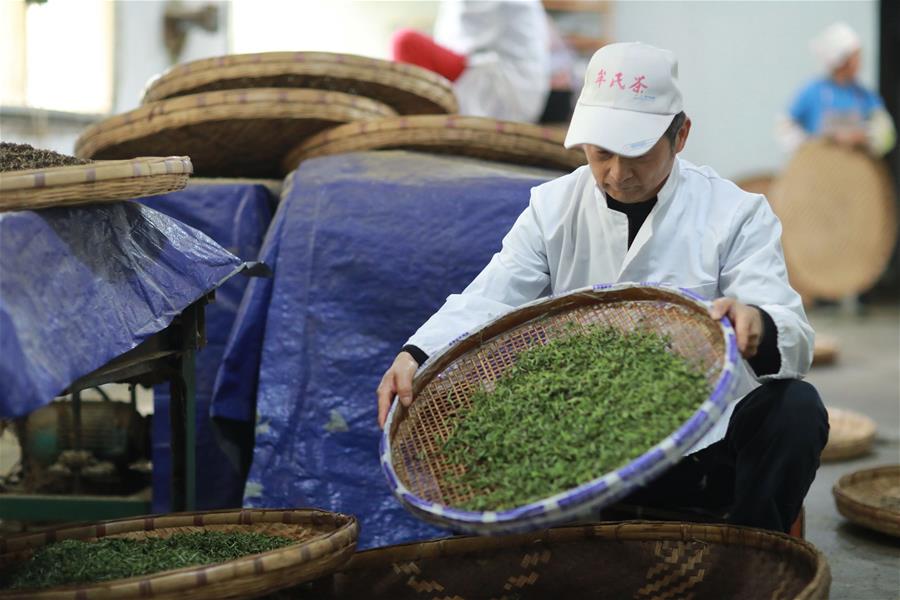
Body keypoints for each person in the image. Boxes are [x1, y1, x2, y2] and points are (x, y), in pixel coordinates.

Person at [376, 42, 828, 535]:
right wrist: (417, 353)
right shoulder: (552, 208)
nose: (616, 174)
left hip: (706, 452)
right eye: (600, 153)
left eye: (636, 153)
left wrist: (756, 324)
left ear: (680, 135)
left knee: (796, 409)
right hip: (586, 446)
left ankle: (751, 551)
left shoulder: (736, 213)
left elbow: (790, 330)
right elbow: (493, 293)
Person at [391, 0, 550, 124]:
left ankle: (421, 127)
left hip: (502, 83)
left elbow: (465, 39)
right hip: (508, 81)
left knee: (405, 42)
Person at [777, 21, 896, 156]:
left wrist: (865, 138)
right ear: (841, 60)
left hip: (855, 166)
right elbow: (784, 126)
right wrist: (809, 145)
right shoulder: (812, 92)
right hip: (819, 167)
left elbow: (887, 134)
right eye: (855, 56)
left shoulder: (865, 96)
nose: (860, 61)